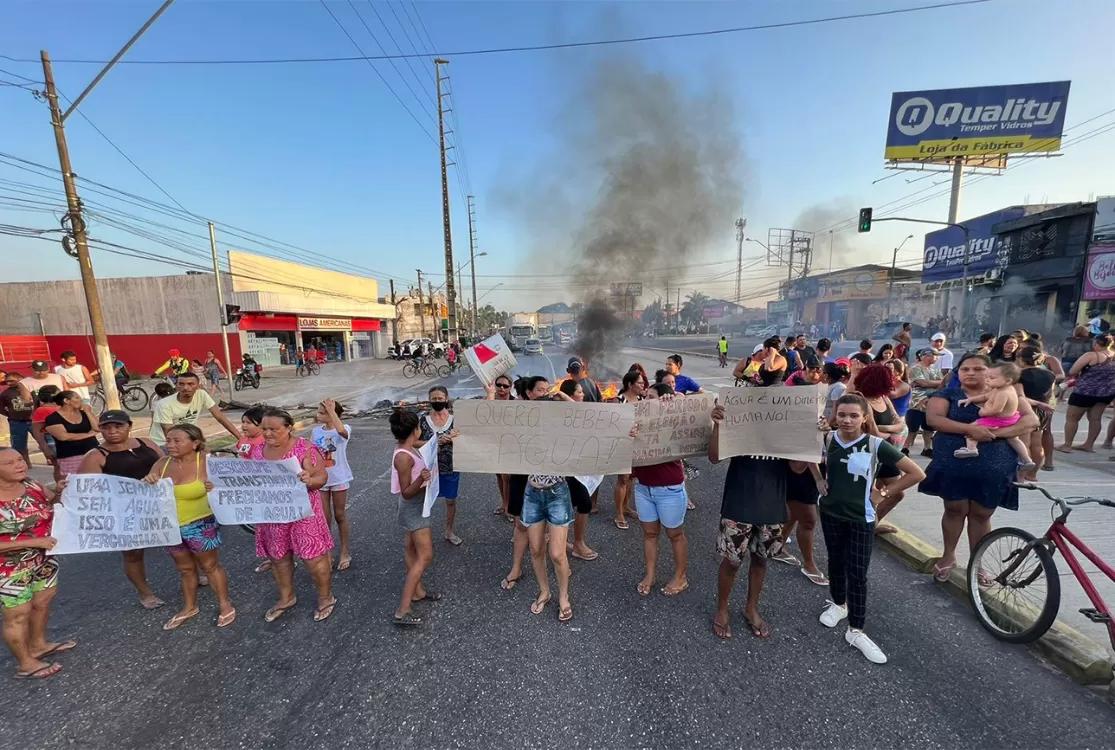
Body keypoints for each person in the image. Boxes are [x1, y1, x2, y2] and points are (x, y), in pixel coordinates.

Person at [817, 394, 926, 664]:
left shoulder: (876, 445)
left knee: (858, 572)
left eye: (854, 415)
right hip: (830, 512)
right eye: (842, 414)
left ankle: (856, 629)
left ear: (865, 418)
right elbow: (805, 455)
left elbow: (916, 473)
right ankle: (838, 603)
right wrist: (818, 479)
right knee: (835, 559)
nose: (847, 420)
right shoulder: (828, 438)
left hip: (861, 518)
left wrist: (885, 492)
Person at [920, 353, 1040, 582]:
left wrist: (992, 434)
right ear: (958, 373)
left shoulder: (1009, 393)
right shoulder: (947, 394)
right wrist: (970, 430)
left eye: (978, 369)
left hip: (994, 465)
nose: (971, 373)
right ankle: (948, 557)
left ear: (992, 372)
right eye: (965, 369)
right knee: (954, 509)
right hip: (955, 462)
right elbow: (934, 419)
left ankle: (977, 564)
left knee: (982, 514)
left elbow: (1031, 421)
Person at [142, 424, 235, 630]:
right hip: (171, 526)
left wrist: (216, 487)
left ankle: (224, 604)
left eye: (177, 441)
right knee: (184, 569)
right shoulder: (162, 463)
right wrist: (148, 482)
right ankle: (189, 606)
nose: (171, 445)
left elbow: (230, 489)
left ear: (195, 443)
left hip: (200, 524)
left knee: (210, 566)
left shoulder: (207, 464)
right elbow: (146, 493)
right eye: (168, 441)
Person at [708, 403, 789, 640]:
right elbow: (714, 457)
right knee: (732, 562)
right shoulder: (742, 424)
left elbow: (797, 466)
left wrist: (812, 436)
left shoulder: (786, 429)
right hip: (739, 501)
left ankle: (750, 608)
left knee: (761, 560)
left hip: (771, 504)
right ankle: (722, 609)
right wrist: (717, 426)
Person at [250, 408, 335, 623]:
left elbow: (321, 476)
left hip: (303, 514)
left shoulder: (304, 449)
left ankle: (326, 597)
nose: (268, 433)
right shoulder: (258, 451)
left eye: (274, 429)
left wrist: (310, 480)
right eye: (264, 429)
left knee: (313, 558)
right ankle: (286, 597)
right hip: (273, 515)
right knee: (278, 558)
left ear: (288, 428)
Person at [75, 410, 165, 610]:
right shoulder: (96, 455)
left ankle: (195, 574)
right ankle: (145, 593)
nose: (112, 432)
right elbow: (86, 491)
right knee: (133, 554)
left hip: (159, 505)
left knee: (179, 543)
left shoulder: (146, 443)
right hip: (125, 513)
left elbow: (165, 464)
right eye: (106, 428)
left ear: (129, 426)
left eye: (118, 426)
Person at [0, 448, 73, 680]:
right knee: (18, 614)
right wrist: (36, 540)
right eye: (10, 463)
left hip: (44, 558)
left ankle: (38, 644)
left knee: (43, 601)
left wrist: (61, 492)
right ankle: (25, 663)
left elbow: (54, 505)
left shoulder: (31, 485)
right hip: (8, 567)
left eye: (20, 459)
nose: (19, 465)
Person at [633, 382, 689, 597]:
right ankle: (650, 574)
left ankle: (681, 576)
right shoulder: (638, 419)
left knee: (675, 534)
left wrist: (672, 406)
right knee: (649, 533)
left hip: (669, 488)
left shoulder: (672, 417)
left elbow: (693, 415)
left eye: (651, 397)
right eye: (645, 397)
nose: (645, 401)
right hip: (643, 487)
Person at [390, 409, 435, 627]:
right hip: (413, 506)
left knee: (411, 549)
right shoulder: (403, 458)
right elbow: (407, 491)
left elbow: (418, 445)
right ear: (415, 430)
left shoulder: (405, 446)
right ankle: (403, 608)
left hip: (415, 506)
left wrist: (439, 440)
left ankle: (418, 592)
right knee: (425, 556)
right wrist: (422, 478)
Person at [852, 364, 908, 532]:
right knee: (890, 492)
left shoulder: (883, 398)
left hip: (886, 450)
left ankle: (872, 524)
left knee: (894, 492)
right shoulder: (862, 400)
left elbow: (900, 424)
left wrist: (885, 429)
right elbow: (873, 433)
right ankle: (870, 525)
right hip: (871, 451)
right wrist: (889, 429)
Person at [953, 361, 1035, 470]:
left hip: (999, 420)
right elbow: (986, 396)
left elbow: (997, 409)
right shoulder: (1002, 388)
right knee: (1014, 439)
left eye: (992, 378)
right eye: (986, 377)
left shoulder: (1003, 393)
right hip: (1011, 418)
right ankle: (1026, 459)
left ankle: (971, 448)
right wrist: (971, 399)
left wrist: (983, 412)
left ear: (1008, 380)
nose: (987, 380)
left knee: (973, 428)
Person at [557, 380, 598, 561]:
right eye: (579, 392)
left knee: (576, 503)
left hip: (577, 466)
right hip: (562, 468)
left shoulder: (584, 410)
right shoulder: (562, 412)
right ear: (570, 395)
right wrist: (565, 399)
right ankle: (576, 544)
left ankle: (566, 541)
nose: (583, 394)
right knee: (583, 503)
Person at [313, 398, 355, 569]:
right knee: (324, 517)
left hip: (339, 478)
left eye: (322, 413)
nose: (318, 415)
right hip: (321, 478)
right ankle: (327, 552)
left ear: (332, 415)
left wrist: (331, 411)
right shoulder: (316, 431)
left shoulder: (344, 429)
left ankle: (345, 551)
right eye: (319, 411)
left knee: (339, 515)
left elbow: (342, 433)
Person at [1057, 333, 1115, 453]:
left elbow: (1073, 370)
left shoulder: (1091, 355)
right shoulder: (1113, 356)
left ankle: (1067, 445)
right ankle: (1089, 444)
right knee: (1095, 419)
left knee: (1072, 419)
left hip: (1084, 392)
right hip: (1104, 393)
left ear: (1096, 344)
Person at [419, 387, 463, 546]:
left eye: (440, 398)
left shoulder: (455, 419)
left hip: (450, 466)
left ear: (446, 398)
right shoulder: (422, 420)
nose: (437, 401)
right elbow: (414, 442)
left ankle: (449, 531)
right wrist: (434, 442)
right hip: (427, 469)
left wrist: (453, 439)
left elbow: (468, 440)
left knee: (451, 501)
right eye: (434, 399)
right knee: (423, 501)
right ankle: (421, 534)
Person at [149, 372, 241, 447]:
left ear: (198, 386)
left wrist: (241, 439)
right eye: (181, 384)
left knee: (208, 459)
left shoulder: (202, 395)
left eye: (190, 384)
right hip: (163, 443)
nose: (185, 387)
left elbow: (220, 417)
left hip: (188, 440)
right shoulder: (164, 404)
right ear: (176, 386)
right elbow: (169, 433)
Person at [1016, 347, 1056, 480]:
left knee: (1024, 443)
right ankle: (1033, 474)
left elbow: (1020, 396)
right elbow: (1050, 394)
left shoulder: (1019, 375)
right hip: (1043, 409)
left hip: (1026, 409)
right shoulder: (1050, 374)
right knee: (1037, 444)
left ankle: (1021, 475)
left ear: (1021, 359)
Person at [611, 371, 645, 529]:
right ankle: (619, 513)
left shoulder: (642, 399)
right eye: (639, 382)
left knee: (632, 477)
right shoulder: (619, 400)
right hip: (622, 444)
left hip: (638, 444)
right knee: (623, 478)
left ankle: (626, 506)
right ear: (630, 385)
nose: (643, 385)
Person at [43, 391, 100, 479]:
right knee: (74, 482)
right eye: (77, 398)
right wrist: (89, 435)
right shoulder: (53, 418)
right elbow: (63, 436)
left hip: (92, 452)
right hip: (70, 455)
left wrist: (88, 412)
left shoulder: (84, 414)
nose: (80, 400)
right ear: (66, 400)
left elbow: (97, 428)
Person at [903, 348, 944, 457]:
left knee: (929, 427)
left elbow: (943, 383)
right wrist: (937, 383)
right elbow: (923, 383)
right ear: (927, 356)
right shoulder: (915, 368)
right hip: (917, 403)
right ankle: (905, 448)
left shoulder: (935, 369)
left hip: (931, 403)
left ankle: (927, 448)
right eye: (935, 355)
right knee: (912, 427)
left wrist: (935, 383)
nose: (937, 358)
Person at [491, 374, 515, 518]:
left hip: (510, 443)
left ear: (510, 388)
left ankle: (508, 507)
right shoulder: (490, 399)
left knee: (507, 477)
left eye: (505, 386)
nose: (502, 388)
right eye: (499, 385)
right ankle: (503, 503)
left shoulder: (515, 402)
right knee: (499, 475)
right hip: (494, 442)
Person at [1, 373, 34, 465]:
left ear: (21, 379)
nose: (9, 383)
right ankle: (26, 463)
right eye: (7, 381)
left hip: (33, 421)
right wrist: (11, 414)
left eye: (12, 381)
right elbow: (2, 409)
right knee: (19, 446)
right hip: (17, 422)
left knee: (45, 441)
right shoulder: (5, 394)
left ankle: (50, 459)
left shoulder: (30, 389)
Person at [30, 385, 61, 482]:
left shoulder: (61, 407)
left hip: (64, 438)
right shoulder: (42, 410)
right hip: (52, 439)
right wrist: (45, 448)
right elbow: (37, 431)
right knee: (59, 465)